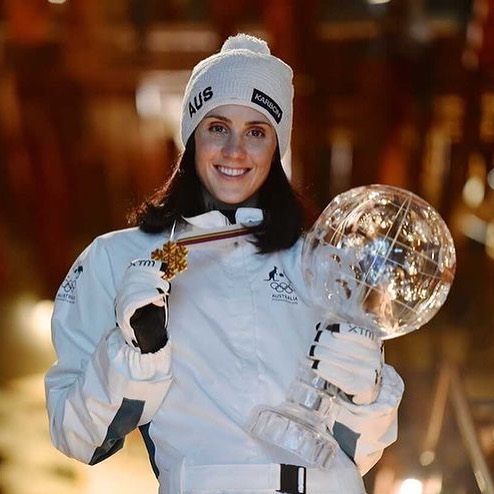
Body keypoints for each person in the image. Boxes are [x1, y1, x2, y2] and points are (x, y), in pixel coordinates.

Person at [45, 33, 404, 494]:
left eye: (256, 132)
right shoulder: (120, 258)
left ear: (278, 146)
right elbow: (78, 437)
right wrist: (136, 351)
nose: (234, 151)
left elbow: (354, 455)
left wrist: (364, 398)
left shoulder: (322, 262)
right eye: (217, 127)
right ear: (192, 135)